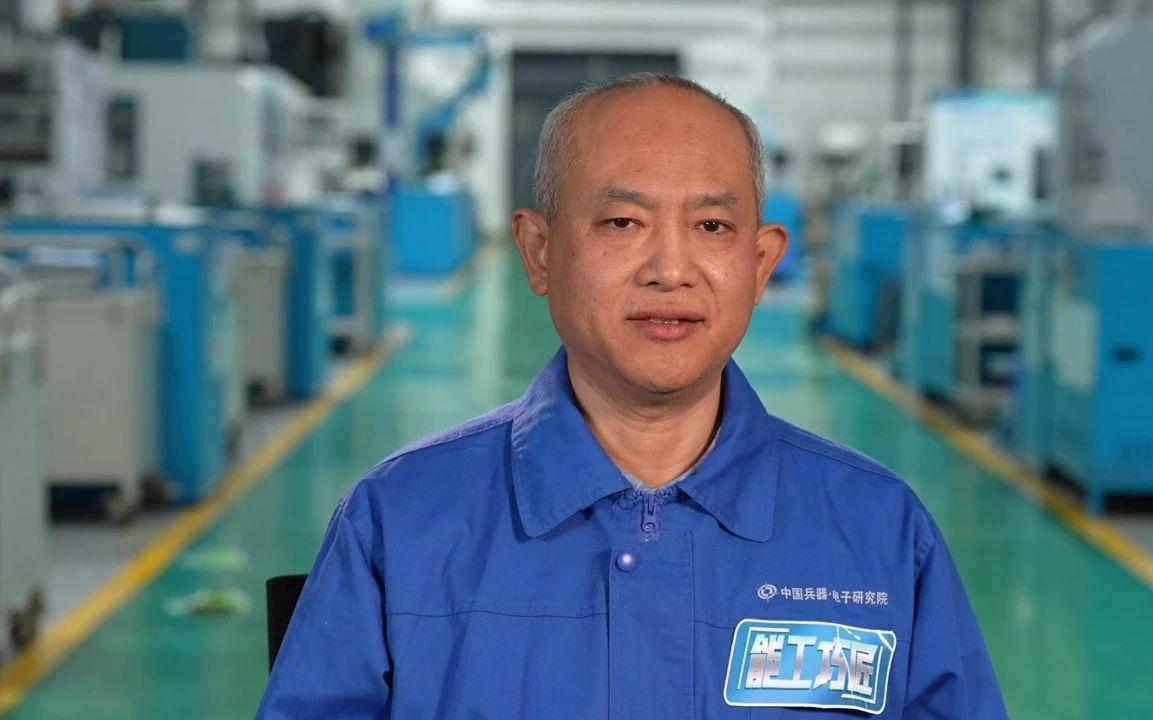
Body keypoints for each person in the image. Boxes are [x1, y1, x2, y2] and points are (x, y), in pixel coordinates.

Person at [258, 72, 1007, 719]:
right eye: (623, 222)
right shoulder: (397, 525)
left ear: (761, 262)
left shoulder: (881, 533)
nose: (670, 269)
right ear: (539, 251)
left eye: (711, 225)